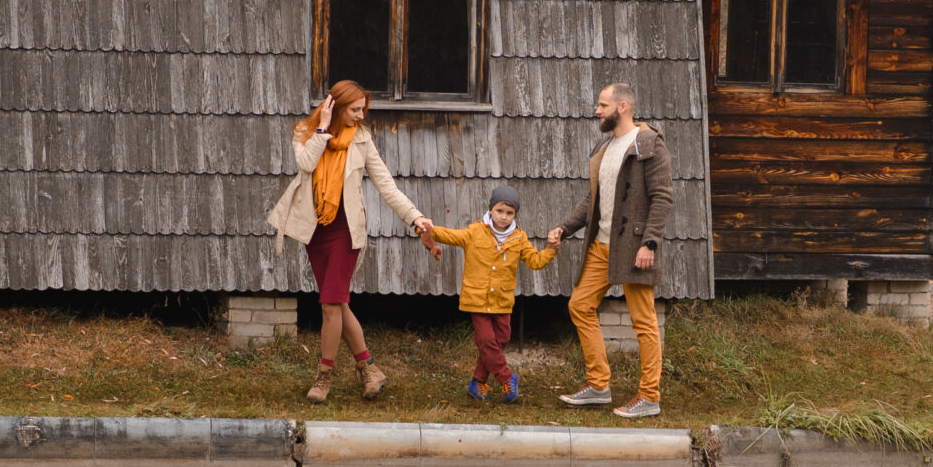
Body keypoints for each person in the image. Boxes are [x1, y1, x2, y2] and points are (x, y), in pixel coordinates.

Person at [267, 81, 432, 404]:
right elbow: (305, 165)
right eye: (355, 110)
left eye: (362, 110)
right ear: (336, 106)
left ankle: (323, 376)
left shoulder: (362, 140)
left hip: (346, 232)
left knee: (330, 304)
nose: (360, 116)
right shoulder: (305, 131)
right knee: (339, 303)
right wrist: (323, 131)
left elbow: (387, 185)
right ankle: (369, 368)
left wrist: (415, 217)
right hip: (316, 231)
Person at [546, 83, 672, 420]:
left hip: (633, 247)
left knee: (644, 322)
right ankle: (599, 385)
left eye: (603, 105)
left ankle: (649, 396)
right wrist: (565, 227)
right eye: (599, 105)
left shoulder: (648, 144)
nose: (597, 111)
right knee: (580, 306)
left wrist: (649, 243)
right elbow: (593, 199)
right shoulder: (605, 146)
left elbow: (662, 198)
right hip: (602, 245)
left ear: (624, 106)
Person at [419, 187, 559, 403]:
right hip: (477, 300)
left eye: (509, 213)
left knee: (500, 340)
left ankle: (477, 382)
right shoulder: (475, 231)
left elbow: (535, 261)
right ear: (491, 210)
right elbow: (451, 235)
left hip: (502, 301)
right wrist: (430, 229)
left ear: (515, 215)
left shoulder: (519, 238)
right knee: (486, 341)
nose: (504, 216)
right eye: (500, 210)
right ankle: (507, 378)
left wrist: (551, 249)